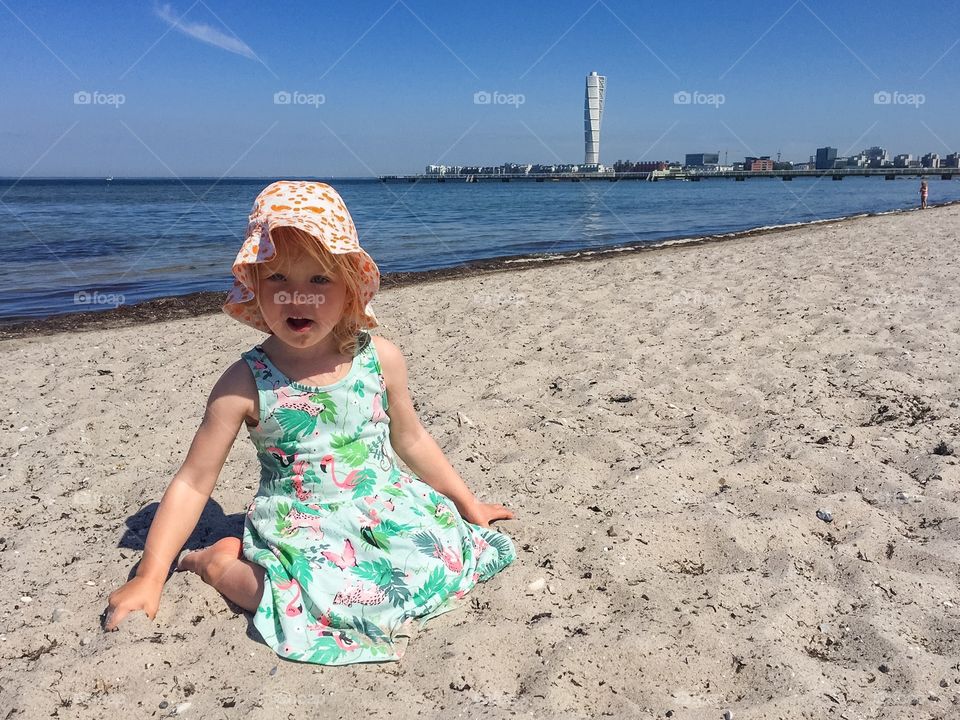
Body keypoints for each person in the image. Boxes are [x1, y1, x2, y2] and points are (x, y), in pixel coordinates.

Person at [104, 181, 516, 664]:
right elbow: (195, 482)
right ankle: (216, 564)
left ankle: (234, 554)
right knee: (314, 598)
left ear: (349, 288)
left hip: (383, 505)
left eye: (319, 280)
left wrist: (467, 503)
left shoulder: (380, 359)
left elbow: (411, 438)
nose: (298, 298)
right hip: (302, 522)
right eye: (278, 278)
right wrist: (151, 575)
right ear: (254, 287)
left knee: (442, 559)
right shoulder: (244, 383)